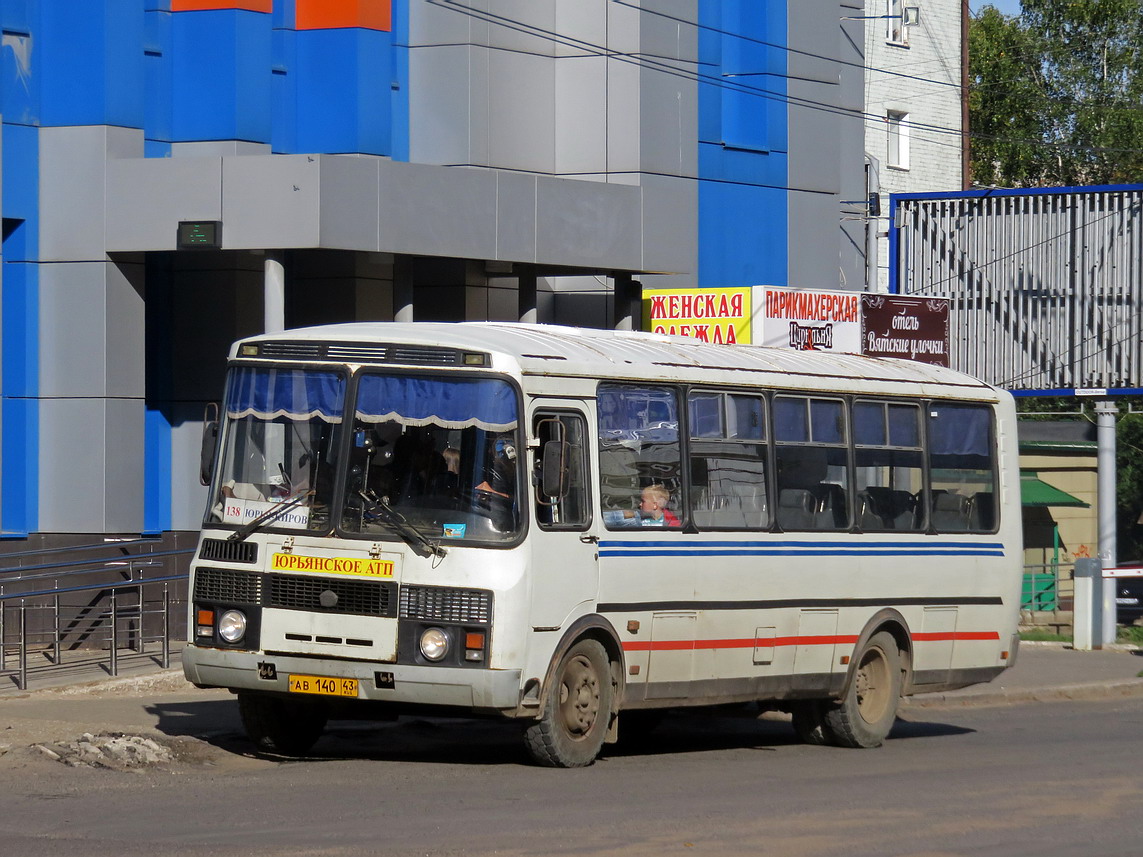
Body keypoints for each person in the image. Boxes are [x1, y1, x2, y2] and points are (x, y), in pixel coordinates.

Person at [605, 483, 681, 528]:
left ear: (655, 505)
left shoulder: (672, 524)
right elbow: (612, 518)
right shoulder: (636, 516)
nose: (640, 504)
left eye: (643, 501)